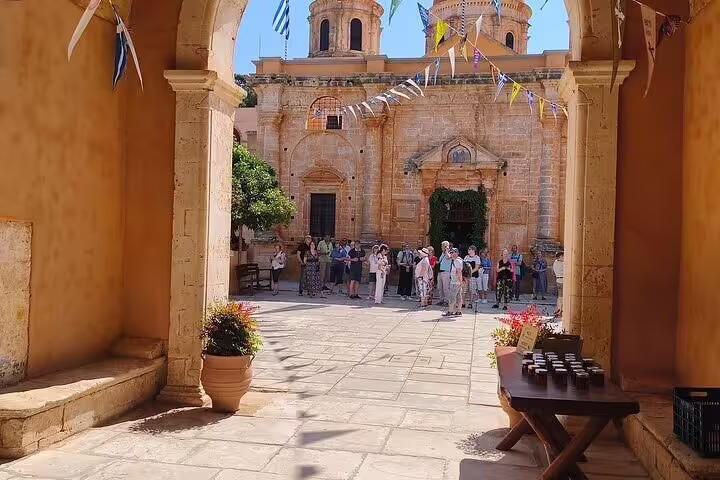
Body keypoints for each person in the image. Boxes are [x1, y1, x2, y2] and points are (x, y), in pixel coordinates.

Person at [443, 248, 464, 317]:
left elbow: (459, 272)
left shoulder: (457, 261)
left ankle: (450, 311)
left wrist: (461, 282)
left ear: (457, 253)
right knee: (458, 297)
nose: (451, 254)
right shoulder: (459, 260)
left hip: (455, 282)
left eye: (453, 253)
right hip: (457, 282)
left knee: (452, 297)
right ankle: (459, 311)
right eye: (451, 252)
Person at [436, 241, 451, 306]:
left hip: (446, 272)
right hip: (440, 272)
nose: (441, 247)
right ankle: (441, 299)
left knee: (445, 287)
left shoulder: (449, 252)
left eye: (442, 246)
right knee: (440, 287)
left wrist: (447, 250)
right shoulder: (442, 253)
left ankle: (446, 301)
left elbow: (449, 257)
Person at [553, 251, 564, 317]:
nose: (564, 258)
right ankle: (559, 310)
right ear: (559, 257)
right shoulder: (561, 263)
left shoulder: (555, 262)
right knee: (561, 297)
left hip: (558, 280)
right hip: (562, 280)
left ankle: (559, 309)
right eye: (562, 256)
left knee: (560, 297)